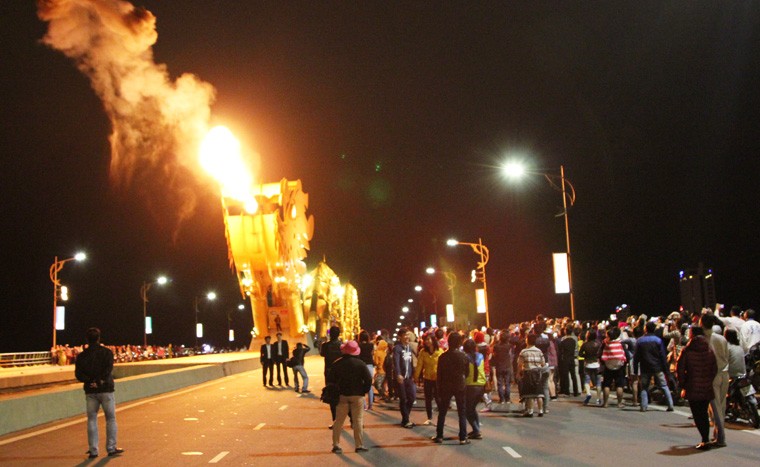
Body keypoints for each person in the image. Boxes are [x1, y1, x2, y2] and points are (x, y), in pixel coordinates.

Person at [75, 327, 124, 458]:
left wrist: (90, 381)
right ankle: (111, 448)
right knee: (111, 418)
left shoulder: (81, 356)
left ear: (87, 339)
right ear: (99, 338)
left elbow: (78, 374)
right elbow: (108, 369)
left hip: (90, 391)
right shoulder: (107, 352)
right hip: (106, 389)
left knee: (91, 419)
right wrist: (100, 380)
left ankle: (93, 450)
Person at [676, 326, 718, 450]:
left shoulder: (687, 350)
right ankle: (705, 439)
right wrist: (709, 380)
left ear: (692, 334)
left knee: (697, 414)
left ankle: (705, 439)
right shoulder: (709, 349)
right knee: (704, 413)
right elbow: (714, 368)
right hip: (706, 386)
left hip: (692, 386)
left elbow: (680, 369)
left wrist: (683, 384)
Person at [330, 340, 373, 454]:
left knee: (338, 421)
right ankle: (359, 445)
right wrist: (364, 390)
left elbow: (331, 380)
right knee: (358, 420)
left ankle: (336, 445)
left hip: (342, 395)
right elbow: (368, 379)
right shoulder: (360, 363)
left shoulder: (337, 363)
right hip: (357, 395)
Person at [432, 332, 470, 445]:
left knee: (442, 411)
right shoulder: (463, 356)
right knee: (461, 412)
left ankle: (439, 436)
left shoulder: (442, 357)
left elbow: (439, 374)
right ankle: (463, 437)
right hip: (460, 385)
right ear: (459, 343)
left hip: (445, 386)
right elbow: (467, 372)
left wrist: (438, 388)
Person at [634, 321, 675, 412]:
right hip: (657, 367)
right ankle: (670, 405)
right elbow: (662, 356)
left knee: (644, 387)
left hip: (645, 367)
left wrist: (636, 371)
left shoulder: (640, 341)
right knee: (664, 386)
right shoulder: (658, 340)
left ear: (645, 329)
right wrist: (666, 370)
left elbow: (636, 357)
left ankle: (643, 406)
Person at [701, 314, 728, 448]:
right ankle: (717, 435)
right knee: (721, 406)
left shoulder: (703, 339)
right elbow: (726, 357)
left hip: (712, 376)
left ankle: (721, 438)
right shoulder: (722, 338)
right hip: (725, 374)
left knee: (715, 408)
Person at [415, 333, 442, 425]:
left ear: (433, 340)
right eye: (425, 340)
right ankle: (429, 417)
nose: (426, 341)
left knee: (439, 399)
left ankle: (441, 418)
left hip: (438, 379)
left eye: (428, 339)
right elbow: (419, 365)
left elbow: (443, 366)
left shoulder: (440, 352)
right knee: (428, 399)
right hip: (427, 378)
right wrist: (415, 377)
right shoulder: (423, 352)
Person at [517, 332, 546, 417]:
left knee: (529, 394)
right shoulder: (539, 351)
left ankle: (530, 411)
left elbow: (519, 364)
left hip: (528, 373)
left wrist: (518, 373)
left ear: (527, 340)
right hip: (538, 373)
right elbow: (543, 363)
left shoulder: (524, 351)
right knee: (539, 393)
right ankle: (540, 410)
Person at [393, 328, 417, 428]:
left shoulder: (409, 348)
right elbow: (396, 362)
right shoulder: (397, 348)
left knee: (412, 398)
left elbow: (411, 362)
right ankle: (406, 420)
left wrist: (413, 374)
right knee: (403, 399)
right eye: (405, 335)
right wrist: (398, 374)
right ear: (400, 337)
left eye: (408, 335)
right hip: (401, 378)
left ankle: (405, 418)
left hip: (409, 378)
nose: (407, 337)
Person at [600, 326, 627, 408]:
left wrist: (603, 363)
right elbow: (626, 354)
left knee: (606, 385)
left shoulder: (605, 343)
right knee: (619, 385)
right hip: (619, 366)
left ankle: (605, 403)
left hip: (608, 366)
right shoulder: (621, 343)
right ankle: (619, 403)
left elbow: (600, 354)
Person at [463, 339, 486, 437]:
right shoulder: (480, 356)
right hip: (481, 385)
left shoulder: (465, 358)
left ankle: (476, 430)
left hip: (470, 386)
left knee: (467, 410)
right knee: (472, 408)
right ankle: (476, 429)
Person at [321, 326, 343, 426]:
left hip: (329, 373)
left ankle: (335, 420)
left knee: (331, 397)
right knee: (342, 396)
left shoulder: (325, 345)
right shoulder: (342, 345)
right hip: (340, 373)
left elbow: (322, 354)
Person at [579, 329, 602, 406]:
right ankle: (598, 399)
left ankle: (588, 393)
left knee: (587, 380)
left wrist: (586, 356)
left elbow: (580, 354)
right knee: (598, 382)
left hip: (588, 364)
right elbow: (601, 353)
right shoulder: (598, 344)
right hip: (597, 364)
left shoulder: (585, 344)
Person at [492, 330, 513, 405]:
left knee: (500, 383)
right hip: (507, 366)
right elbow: (510, 356)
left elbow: (494, 355)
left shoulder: (496, 346)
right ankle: (507, 399)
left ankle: (501, 399)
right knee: (507, 383)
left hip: (499, 366)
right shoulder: (509, 346)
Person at [358, 331, 375, 410]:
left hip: (361, 366)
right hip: (370, 366)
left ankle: (364, 405)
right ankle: (370, 405)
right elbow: (372, 354)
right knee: (370, 386)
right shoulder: (371, 345)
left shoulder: (359, 346)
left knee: (361, 385)